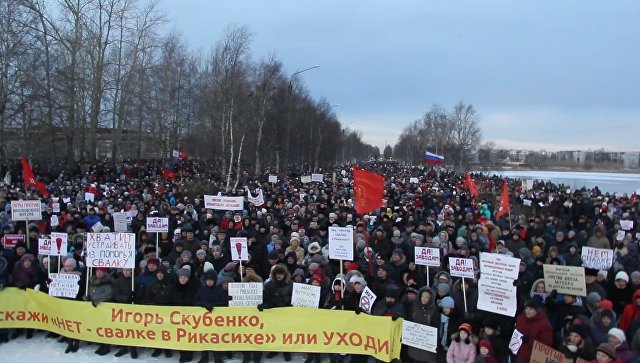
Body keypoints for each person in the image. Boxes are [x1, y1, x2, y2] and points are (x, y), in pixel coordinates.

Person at [258, 264, 293, 362]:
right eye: (277, 273)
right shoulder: (269, 285)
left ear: (285, 274)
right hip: (273, 313)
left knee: (286, 333)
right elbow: (266, 298)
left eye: (281, 273)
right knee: (273, 333)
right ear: (274, 274)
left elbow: (294, 297)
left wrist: (288, 302)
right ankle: (274, 350)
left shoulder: (291, 284)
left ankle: (286, 351)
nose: (279, 275)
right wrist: (263, 305)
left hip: (286, 312)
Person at [515, 297, 553, 363]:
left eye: (531, 309)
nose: (528, 311)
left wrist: (530, 341)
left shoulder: (545, 324)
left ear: (537, 310)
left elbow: (546, 344)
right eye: (526, 308)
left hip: (532, 358)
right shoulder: (521, 318)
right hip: (519, 354)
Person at [406, 287, 439, 363]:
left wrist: (435, 344)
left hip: (426, 343)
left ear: (430, 299)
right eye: (423, 296)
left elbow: (436, 327)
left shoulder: (434, 310)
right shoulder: (414, 306)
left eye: (427, 297)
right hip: (415, 341)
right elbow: (409, 321)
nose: (424, 299)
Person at [88, 267, 114, 356]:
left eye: (101, 271)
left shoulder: (108, 282)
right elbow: (91, 291)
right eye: (97, 271)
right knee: (98, 326)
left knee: (105, 328)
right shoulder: (92, 281)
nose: (99, 273)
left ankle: (106, 346)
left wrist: (95, 299)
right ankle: (101, 344)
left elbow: (108, 294)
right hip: (96, 308)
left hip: (105, 308)